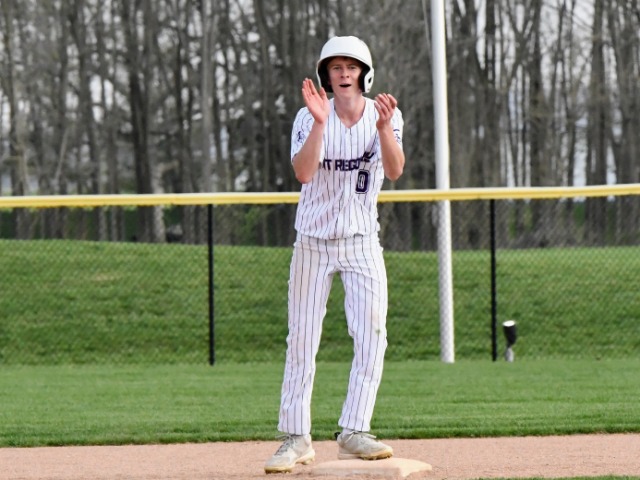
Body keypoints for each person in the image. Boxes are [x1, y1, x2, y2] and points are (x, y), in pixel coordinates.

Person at [264, 35, 405, 474]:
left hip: (362, 240)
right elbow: (304, 172)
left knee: (372, 335)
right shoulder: (308, 116)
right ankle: (296, 437)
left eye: (351, 67)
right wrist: (320, 123)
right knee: (302, 339)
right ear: (326, 75)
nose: (344, 74)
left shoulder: (386, 114)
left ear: (365, 74)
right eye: (336, 67)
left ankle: (354, 431)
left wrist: (384, 128)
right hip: (313, 241)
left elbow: (395, 170)